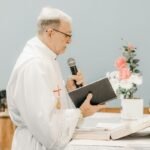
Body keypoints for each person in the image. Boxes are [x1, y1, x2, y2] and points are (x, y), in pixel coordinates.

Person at [7, 6, 105, 150]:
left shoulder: (47, 59)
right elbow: (46, 127)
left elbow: (53, 107)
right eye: (67, 35)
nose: (69, 41)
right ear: (50, 32)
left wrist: (68, 92)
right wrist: (81, 113)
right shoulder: (34, 65)